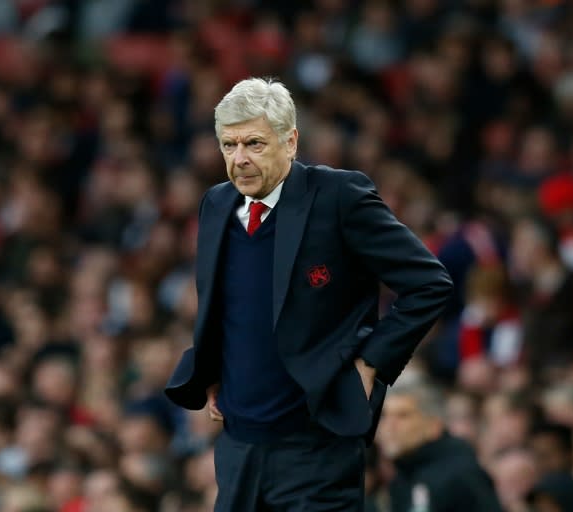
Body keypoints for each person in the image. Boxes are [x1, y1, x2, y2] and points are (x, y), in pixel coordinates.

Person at [164, 77, 452, 511]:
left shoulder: (338, 197)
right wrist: (213, 369)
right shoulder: (217, 204)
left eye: (255, 144)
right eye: (229, 145)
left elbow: (429, 283)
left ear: (291, 141)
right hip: (239, 447)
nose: (239, 159)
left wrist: (373, 362)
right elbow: (226, 306)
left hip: (316, 448)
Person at [378, 381, 502, 512]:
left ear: (434, 425)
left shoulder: (461, 475)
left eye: (403, 416)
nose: (389, 426)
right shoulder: (402, 478)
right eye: (384, 416)